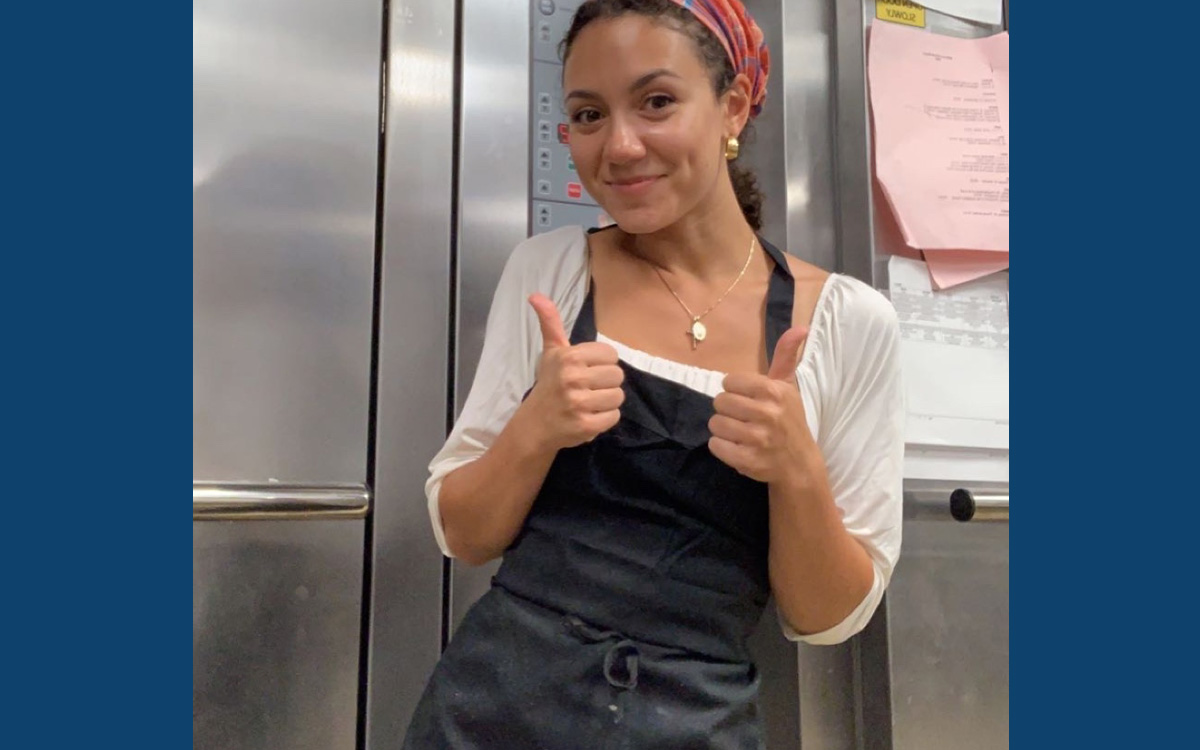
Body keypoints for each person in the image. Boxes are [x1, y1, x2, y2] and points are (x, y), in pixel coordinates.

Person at [403, 0, 904, 746]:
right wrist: (537, 427)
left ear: (732, 106)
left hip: (695, 722)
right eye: (588, 114)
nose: (620, 145)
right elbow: (465, 535)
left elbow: (825, 618)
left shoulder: (848, 322)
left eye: (657, 101)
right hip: (492, 707)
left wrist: (795, 468)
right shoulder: (551, 274)